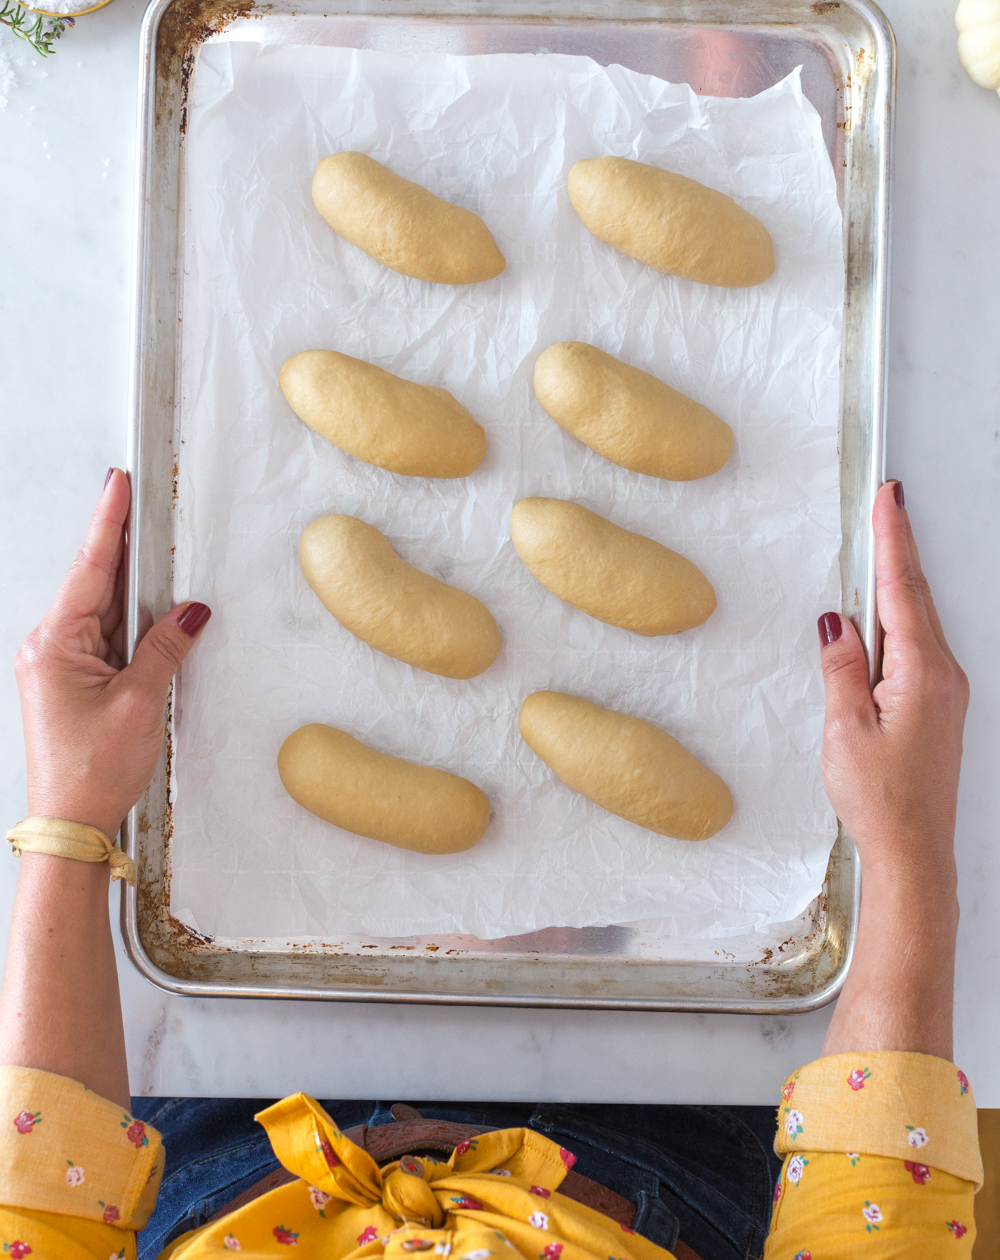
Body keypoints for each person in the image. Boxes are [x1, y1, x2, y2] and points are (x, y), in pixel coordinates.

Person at [0, 470, 980, 1259]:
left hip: (239, 1130)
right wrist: (903, 850)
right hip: (659, 1143)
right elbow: (882, 1198)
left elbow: (40, 1191)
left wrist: (75, 816)